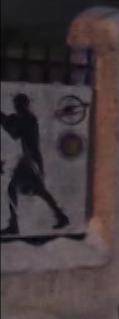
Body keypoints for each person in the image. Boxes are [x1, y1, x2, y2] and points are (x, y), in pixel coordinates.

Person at [2, 93, 71, 235]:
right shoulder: (28, 118)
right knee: (38, 190)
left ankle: (14, 225)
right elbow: (14, 127)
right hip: (32, 159)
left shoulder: (26, 119)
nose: (16, 107)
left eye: (17, 104)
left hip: (29, 159)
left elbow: (14, 131)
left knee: (15, 189)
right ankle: (60, 216)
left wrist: (2, 118)